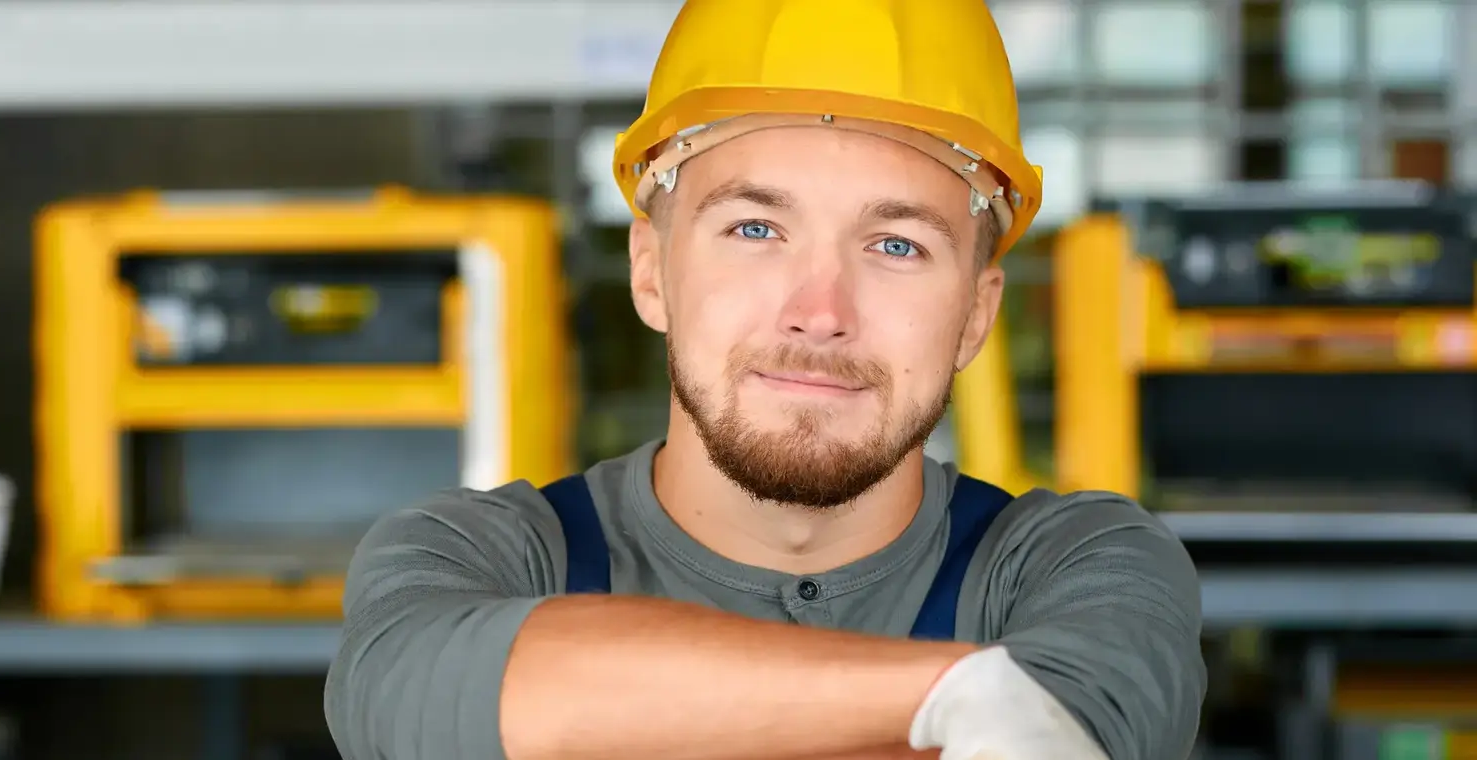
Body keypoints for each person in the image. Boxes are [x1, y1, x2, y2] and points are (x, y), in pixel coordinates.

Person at [325, 1, 1206, 758]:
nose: (819, 312)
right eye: (755, 230)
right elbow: (428, 702)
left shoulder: (1078, 568)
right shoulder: (472, 557)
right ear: (650, 272)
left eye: (896, 245)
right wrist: (963, 695)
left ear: (976, 314)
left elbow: (1066, 731)